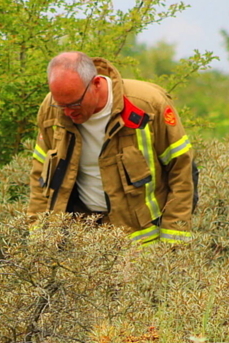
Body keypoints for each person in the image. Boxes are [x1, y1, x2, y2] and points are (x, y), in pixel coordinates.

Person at [28, 51, 194, 244]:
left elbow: (182, 172)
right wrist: (37, 238)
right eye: (61, 105)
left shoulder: (147, 105)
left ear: (96, 84)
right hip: (81, 239)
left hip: (142, 243)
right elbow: (39, 176)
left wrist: (174, 241)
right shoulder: (50, 109)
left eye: (75, 103)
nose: (67, 112)